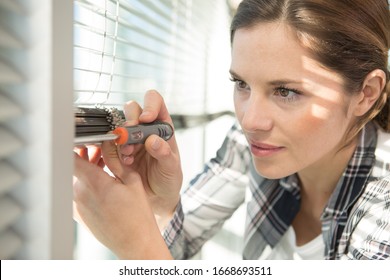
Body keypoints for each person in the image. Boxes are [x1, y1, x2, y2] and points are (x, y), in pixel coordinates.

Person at [73, 0, 390, 260]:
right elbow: (174, 250)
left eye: (286, 91)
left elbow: (152, 254)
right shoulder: (249, 145)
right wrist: (158, 204)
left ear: (367, 93)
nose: (250, 121)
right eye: (241, 84)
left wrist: (137, 248)